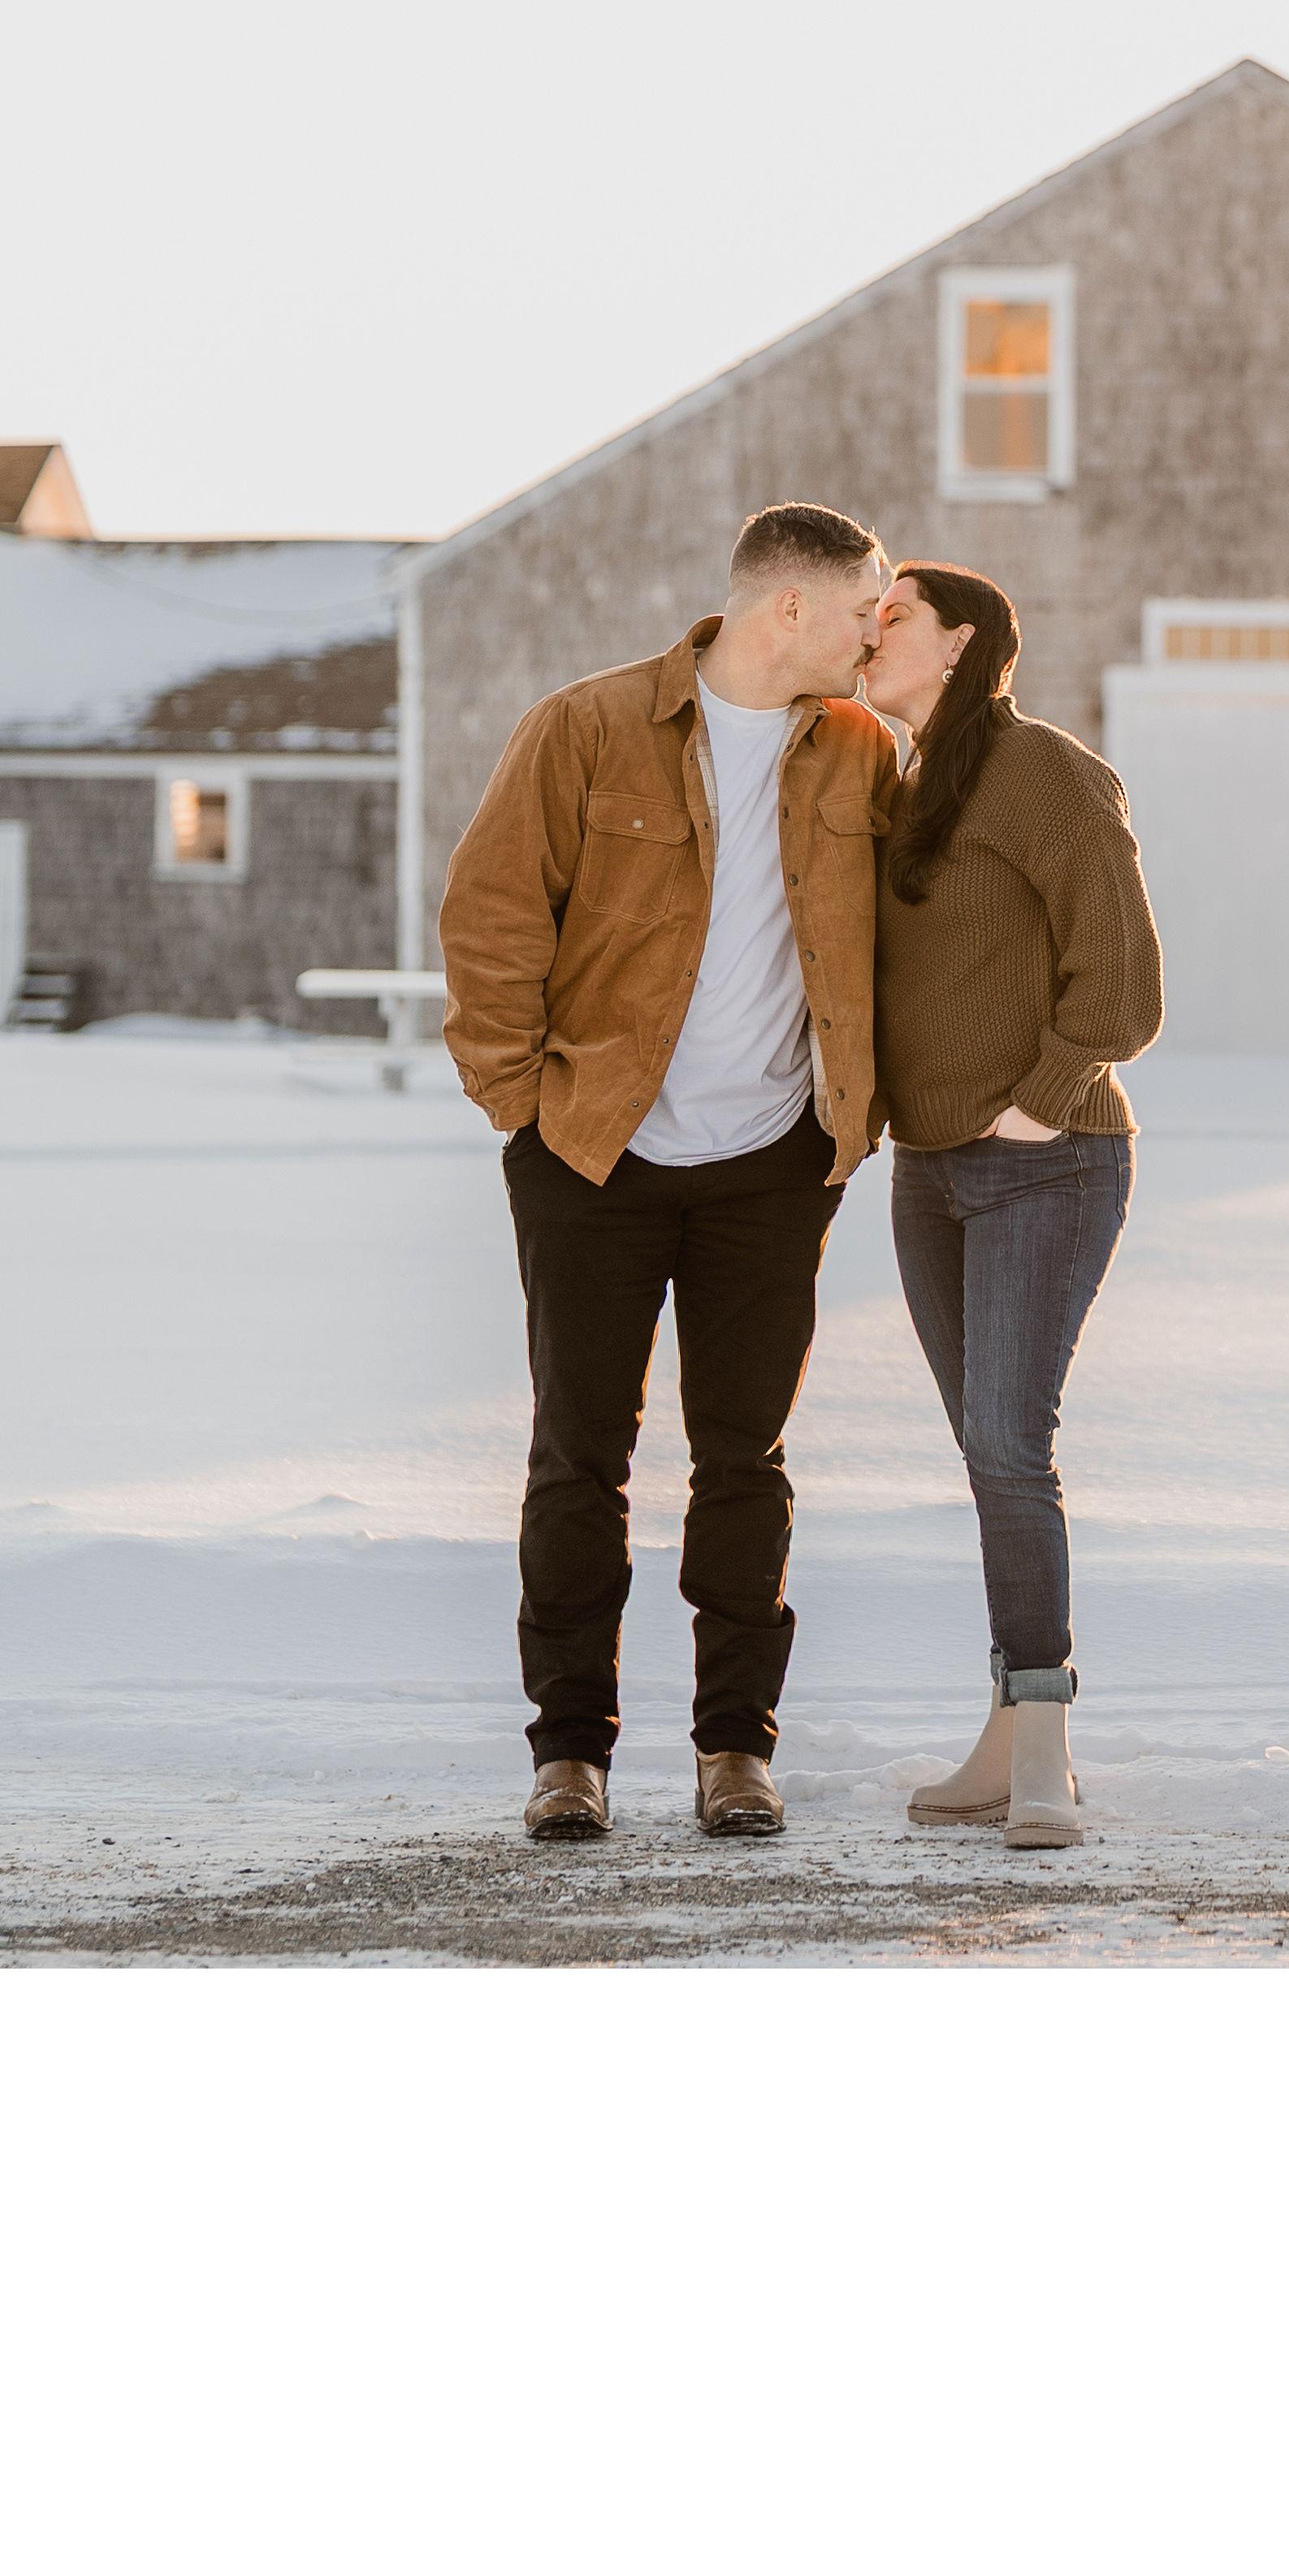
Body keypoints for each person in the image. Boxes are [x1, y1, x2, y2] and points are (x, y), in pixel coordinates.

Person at [437, 502, 895, 1844]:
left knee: (744, 1458)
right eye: (866, 605)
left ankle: (733, 1751)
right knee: (579, 1456)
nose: (877, 629)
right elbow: (491, 913)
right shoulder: (586, 727)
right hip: (592, 1153)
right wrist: (524, 1108)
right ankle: (568, 1752)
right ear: (788, 608)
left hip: (773, 1164)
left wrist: (850, 1121)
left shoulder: (863, 754)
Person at [854, 563, 1164, 1848]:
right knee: (985, 1460)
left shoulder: (1043, 770)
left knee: (1006, 1445)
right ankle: (1003, 1732)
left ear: (961, 640)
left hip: (1049, 1158)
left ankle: (1045, 1743)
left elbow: (1125, 979)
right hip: (929, 1176)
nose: (871, 638)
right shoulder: (901, 780)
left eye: (894, 621)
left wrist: (1038, 1097)